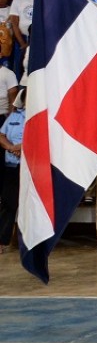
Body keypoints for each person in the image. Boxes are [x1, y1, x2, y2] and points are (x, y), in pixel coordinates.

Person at [0, 91, 26, 255]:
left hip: (31, 167)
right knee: (8, 203)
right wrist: (11, 147)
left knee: (30, 204)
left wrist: (23, 147)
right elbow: (1, 135)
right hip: (12, 165)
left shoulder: (41, 117)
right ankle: (2, 241)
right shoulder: (14, 116)